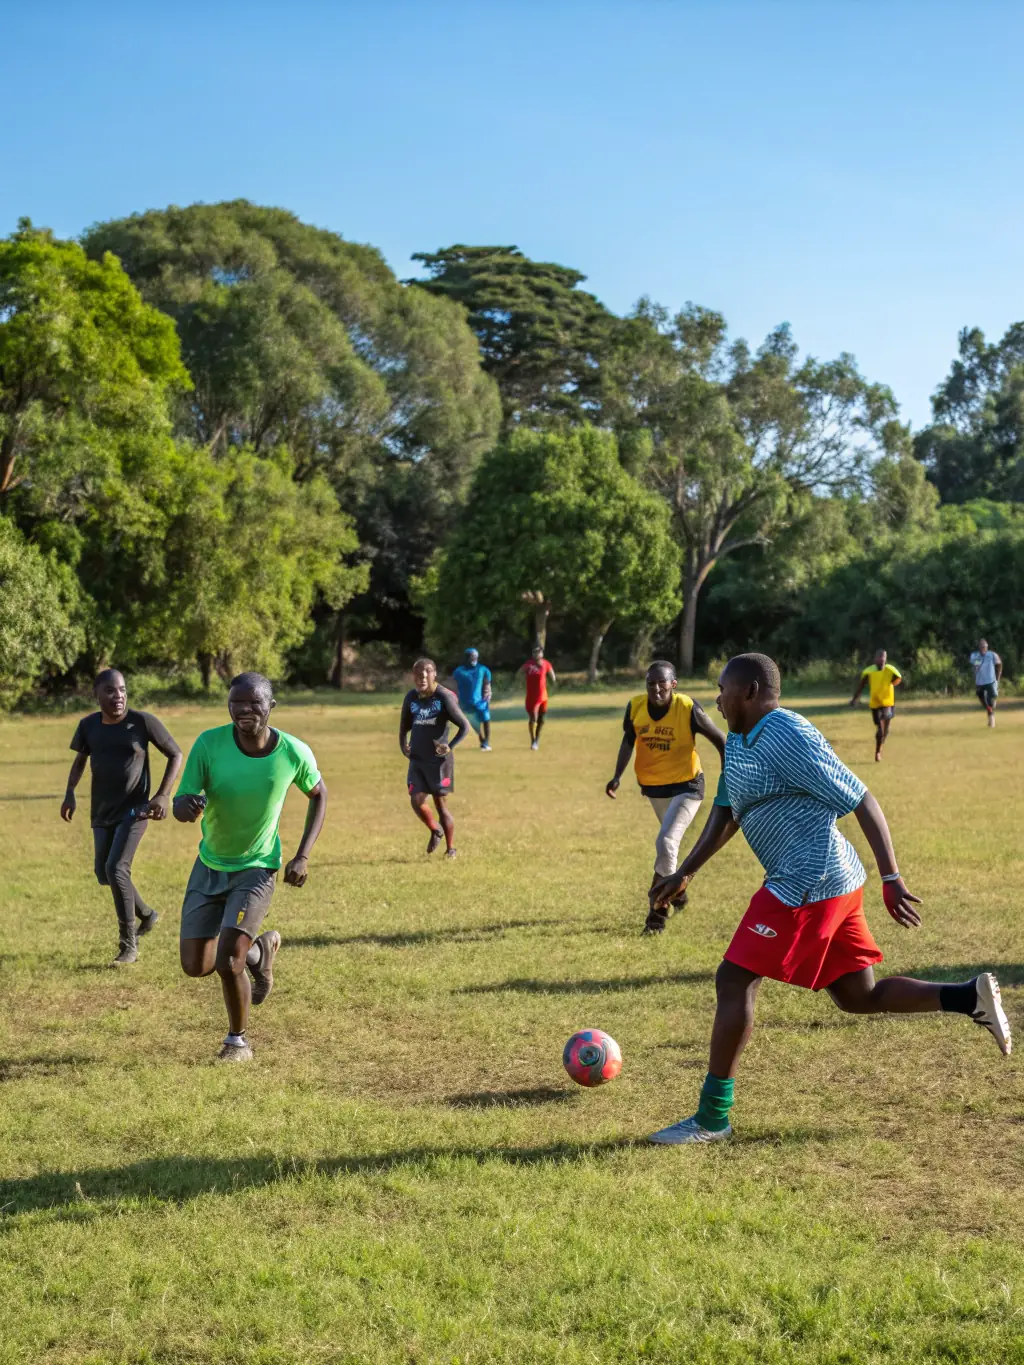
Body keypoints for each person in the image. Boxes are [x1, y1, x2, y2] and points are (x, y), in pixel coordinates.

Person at [645, 652, 1011, 1146]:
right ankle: (967, 996)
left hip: (809, 881)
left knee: (733, 978)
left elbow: (861, 797)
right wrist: (685, 872)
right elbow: (726, 813)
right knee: (858, 997)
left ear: (750, 691)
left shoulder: (788, 733)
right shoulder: (737, 739)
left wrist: (893, 876)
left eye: (723, 688)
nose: (717, 697)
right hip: (827, 881)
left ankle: (712, 1119)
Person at [173, 672, 328, 1063]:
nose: (244, 711)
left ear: (270, 707)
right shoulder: (209, 744)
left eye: (253, 703)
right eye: (236, 703)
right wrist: (185, 807)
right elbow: (181, 802)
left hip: (258, 868)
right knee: (196, 966)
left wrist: (303, 854)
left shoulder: (292, 751)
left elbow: (319, 794)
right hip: (209, 864)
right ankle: (260, 953)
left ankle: (237, 1041)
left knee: (227, 962)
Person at [61, 669, 182, 966]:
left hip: (136, 809)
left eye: (123, 690)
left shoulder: (141, 722)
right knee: (105, 873)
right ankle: (147, 914)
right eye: (111, 691)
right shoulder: (88, 726)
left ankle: (129, 945)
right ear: (97, 694)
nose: (119, 696)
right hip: (102, 811)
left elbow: (175, 754)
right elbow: (80, 761)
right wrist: (69, 793)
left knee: (116, 868)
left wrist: (163, 795)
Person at [605, 660, 726, 935]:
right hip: (655, 788)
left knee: (667, 840)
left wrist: (731, 774)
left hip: (688, 785)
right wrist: (617, 776)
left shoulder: (686, 707)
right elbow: (628, 741)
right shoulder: (635, 707)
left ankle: (656, 916)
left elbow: (720, 740)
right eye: (651, 683)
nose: (656, 688)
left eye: (662, 683)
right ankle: (679, 893)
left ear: (673, 684)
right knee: (668, 847)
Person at [400, 658, 471, 859]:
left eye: (427, 673)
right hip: (417, 759)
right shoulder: (411, 698)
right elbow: (404, 726)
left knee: (441, 805)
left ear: (434, 675)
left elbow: (464, 726)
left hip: (439, 763)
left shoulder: (444, 697)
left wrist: (450, 747)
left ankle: (451, 849)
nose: (422, 677)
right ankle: (435, 829)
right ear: (413, 676)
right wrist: (402, 745)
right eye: (418, 673)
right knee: (416, 800)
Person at [849, 648, 902, 761]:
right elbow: (861, 685)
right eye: (880, 657)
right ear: (875, 659)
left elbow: (898, 680)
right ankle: (877, 752)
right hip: (875, 703)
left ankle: (880, 747)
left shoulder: (890, 670)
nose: (882, 659)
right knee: (880, 728)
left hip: (888, 702)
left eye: (884, 657)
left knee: (885, 730)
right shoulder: (869, 671)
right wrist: (854, 699)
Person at [452, 648, 493, 751]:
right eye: (471, 656)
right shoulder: (459, 671)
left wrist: (488, 692)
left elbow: (487, 682)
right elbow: (454, 685)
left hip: (480, 701)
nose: (473, 658)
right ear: (466, 658)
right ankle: (482, 740)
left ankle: (486, 742)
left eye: (475, 656)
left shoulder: (483, 669)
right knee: (474, 723)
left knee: (486, 719)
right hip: (465, 702)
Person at [520, 644, 556, 750]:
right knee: (533, 718)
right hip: (532, 696)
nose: (537, 654)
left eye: (539, 652)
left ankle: (537, 739)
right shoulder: (528, 664)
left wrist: (552, 684)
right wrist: (521, 682)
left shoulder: (546, 664)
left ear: (542, 653)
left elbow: (552, 677)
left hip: (543, 696)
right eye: (535, 652)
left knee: (541, 719)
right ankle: (533, 740)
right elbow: (519, 673)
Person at [970, 639, 1002, 728]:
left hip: (990, 680)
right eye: (981, 647)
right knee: (981, 697)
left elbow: (999, 664)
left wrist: (997, 678)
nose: (983, 648)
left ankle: (990, 712)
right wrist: (977, 665)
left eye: (984, 647)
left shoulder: (992, 655)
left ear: (987, 647)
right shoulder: (975, 655)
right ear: (979, 647)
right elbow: (975, 665)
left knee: (993, 696)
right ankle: (991, 714)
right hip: (980, 682)